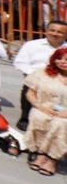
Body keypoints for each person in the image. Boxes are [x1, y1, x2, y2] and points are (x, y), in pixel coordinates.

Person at [12, 20, 67, 131]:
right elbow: (20, 63)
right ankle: (25, 118)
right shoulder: (31, 45)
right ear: (46, 31)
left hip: (62, 78)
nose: (55, 34)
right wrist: (38, 76)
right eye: (52, 30)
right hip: (36, 77)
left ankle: (56, 115)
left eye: (60, 32)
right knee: (30, 87)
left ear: (65, 35)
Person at [24, 48, 67, 176]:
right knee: (39, 117)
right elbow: (30, 93)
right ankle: (41, 154)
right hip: (44, 107)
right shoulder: (42, 73)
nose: (63, 62)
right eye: (60, 58)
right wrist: (41, 107)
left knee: (61, 124)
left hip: (65, 113)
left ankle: (53, 159)